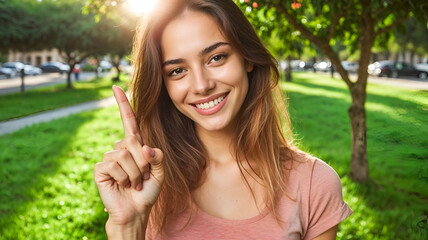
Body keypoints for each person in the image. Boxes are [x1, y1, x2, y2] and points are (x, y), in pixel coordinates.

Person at [94, 0, 353, 239]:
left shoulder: (313, 185)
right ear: (163, 85)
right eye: (178, 71)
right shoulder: (146, 188)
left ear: (247, 58)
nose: (201, 85)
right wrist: (128, 228)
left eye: (216, 57)